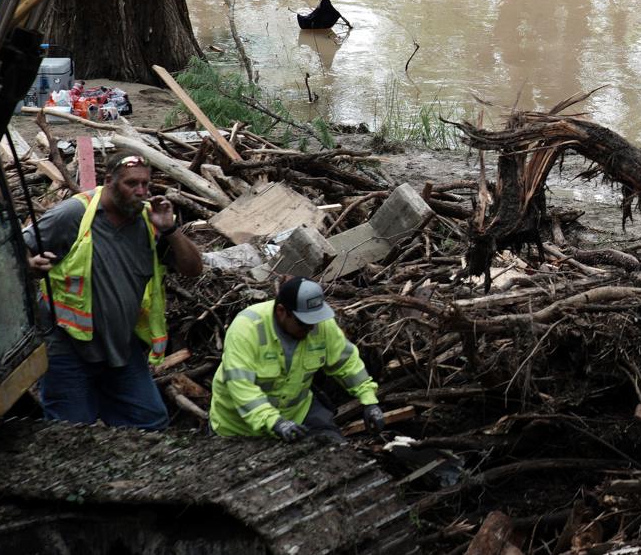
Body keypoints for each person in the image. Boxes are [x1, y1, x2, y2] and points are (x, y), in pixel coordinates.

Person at [24, 153, 204, 429]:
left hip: (120, 346)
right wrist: (31, 265)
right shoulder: (74, 214)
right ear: (109, 181)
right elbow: (19, 251)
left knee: (150, 421)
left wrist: (170, 229)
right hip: (66, 346)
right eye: (132, 184)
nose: (141, 192)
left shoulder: (149, 222)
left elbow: (193, 269)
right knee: (71, 430)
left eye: (145, 184)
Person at [210, 277, 384, 443]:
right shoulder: (247, 329)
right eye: (303, 323)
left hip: (296, 413)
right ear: (281, 312)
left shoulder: (321, 325)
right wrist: (274, 422)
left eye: (314, 322)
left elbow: (346, 363)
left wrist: (369, 400)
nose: (310, 328)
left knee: (335, 447)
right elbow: (241, 386)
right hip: (239, 427)